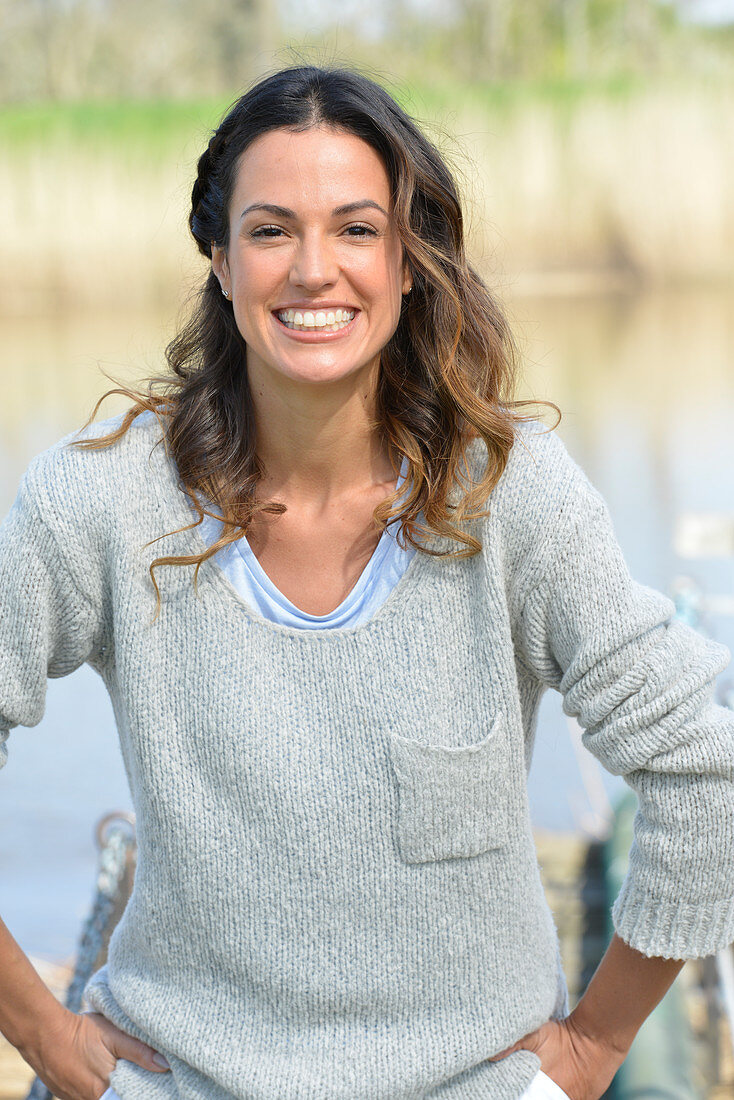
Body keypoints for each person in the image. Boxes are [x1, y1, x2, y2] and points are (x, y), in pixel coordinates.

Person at [0, 64, 733, 1100]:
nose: (312, 269)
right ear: (218, 257)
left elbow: (702, 767)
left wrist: (590, 1050)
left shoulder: (511, 499)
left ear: (405, 259)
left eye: (354, 228)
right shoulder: (101, 499)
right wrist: (41, 1030)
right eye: (268, 230)